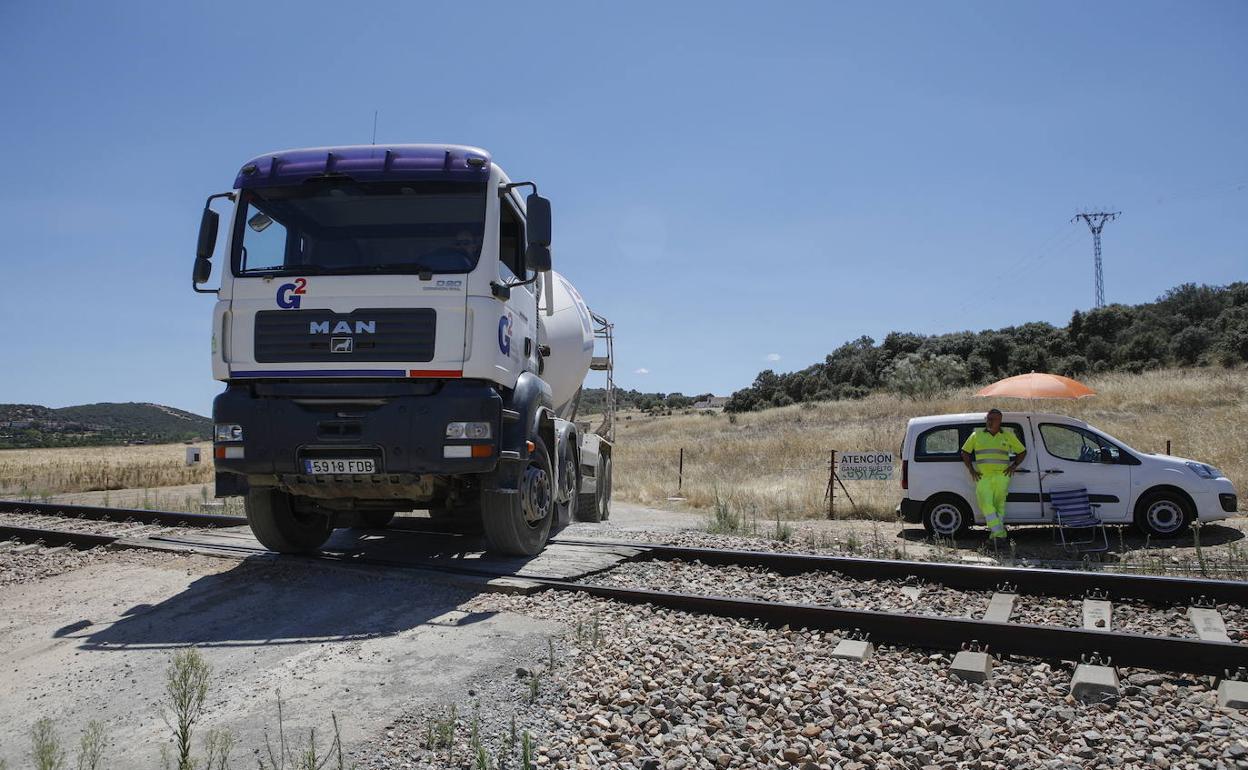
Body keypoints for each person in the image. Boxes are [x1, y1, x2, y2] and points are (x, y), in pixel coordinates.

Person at [960, 408, 1027, 540]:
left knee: (999, 505)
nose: (989, 422)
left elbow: (1022, 451)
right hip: (983, 476)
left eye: (992, 420)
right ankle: (999, 532)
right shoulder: (976, 435)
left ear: (999, 421)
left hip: (1002, 476)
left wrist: (1013, 466)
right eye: (988, 419)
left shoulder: (1007, 435)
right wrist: (971, 470)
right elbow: (965, 452)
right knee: (985, 502)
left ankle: (995, 535)